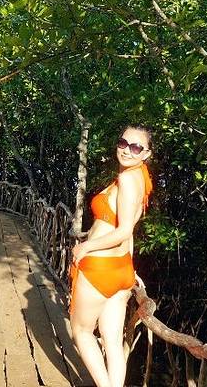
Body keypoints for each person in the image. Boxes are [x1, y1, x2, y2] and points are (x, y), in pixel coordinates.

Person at [69, 125, 153, 387]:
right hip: (121, 269)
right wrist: (130, 268)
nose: (127, 150)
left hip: (100, 267)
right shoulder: (140, 177)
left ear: (146, 153)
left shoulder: (127, 179)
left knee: (81, 332)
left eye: (136, 147)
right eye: (123, 143)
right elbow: (130, 231)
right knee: (113, 342)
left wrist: (85, 247)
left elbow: (124, 230)